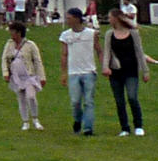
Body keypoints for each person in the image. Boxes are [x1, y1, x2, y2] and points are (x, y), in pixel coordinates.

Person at [102, 8, 149, 136]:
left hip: (131, 70)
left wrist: (145, 71)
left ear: (116, 18)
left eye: (110, 17)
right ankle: (125, 128)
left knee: (132, 97)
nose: (109, 20)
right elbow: (107, 52)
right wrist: (105, 67)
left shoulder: (133, 33)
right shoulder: (109, 34)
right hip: (115, 72)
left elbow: (140, 52)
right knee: (119, 100)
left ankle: (138, 126)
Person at [59, 8, 101, 136]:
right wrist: (63, 73)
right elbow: (64, 54)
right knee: (75, 101)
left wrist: (103, 66)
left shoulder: (91, 34)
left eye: (69, 18)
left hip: (89, 71)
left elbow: (99, 50)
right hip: (74, 72)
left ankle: (88, 128)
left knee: (88, 101)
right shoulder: (66, 35)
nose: (67, 20)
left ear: (77, 18)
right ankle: (77, 120)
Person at [1, 21, 46, 131]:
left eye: (13, 31)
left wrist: (42, 76)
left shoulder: (30, 45)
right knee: (21, 98)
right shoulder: (9, 44)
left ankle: (35, 119)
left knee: (31, 96)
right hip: (16, 77)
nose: (11, 34)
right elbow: (4, 59)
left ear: (19, 33)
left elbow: (37, 61)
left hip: (29, 76)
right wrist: (5, 73)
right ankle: (25, 121)